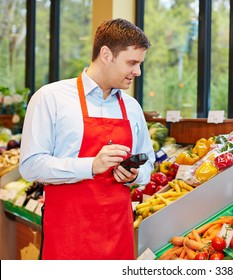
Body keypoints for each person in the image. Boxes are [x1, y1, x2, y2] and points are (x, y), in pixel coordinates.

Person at [19, 18, 155, 260]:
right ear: (106, 54)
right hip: (68, 234)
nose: (138, 72)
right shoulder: (51, 98)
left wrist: (135, 174)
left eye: (140, 64)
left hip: (118, 233)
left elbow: (149, 165)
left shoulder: (132, 107)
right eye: (132, 63)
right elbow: (30, 166)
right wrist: (90, 165)